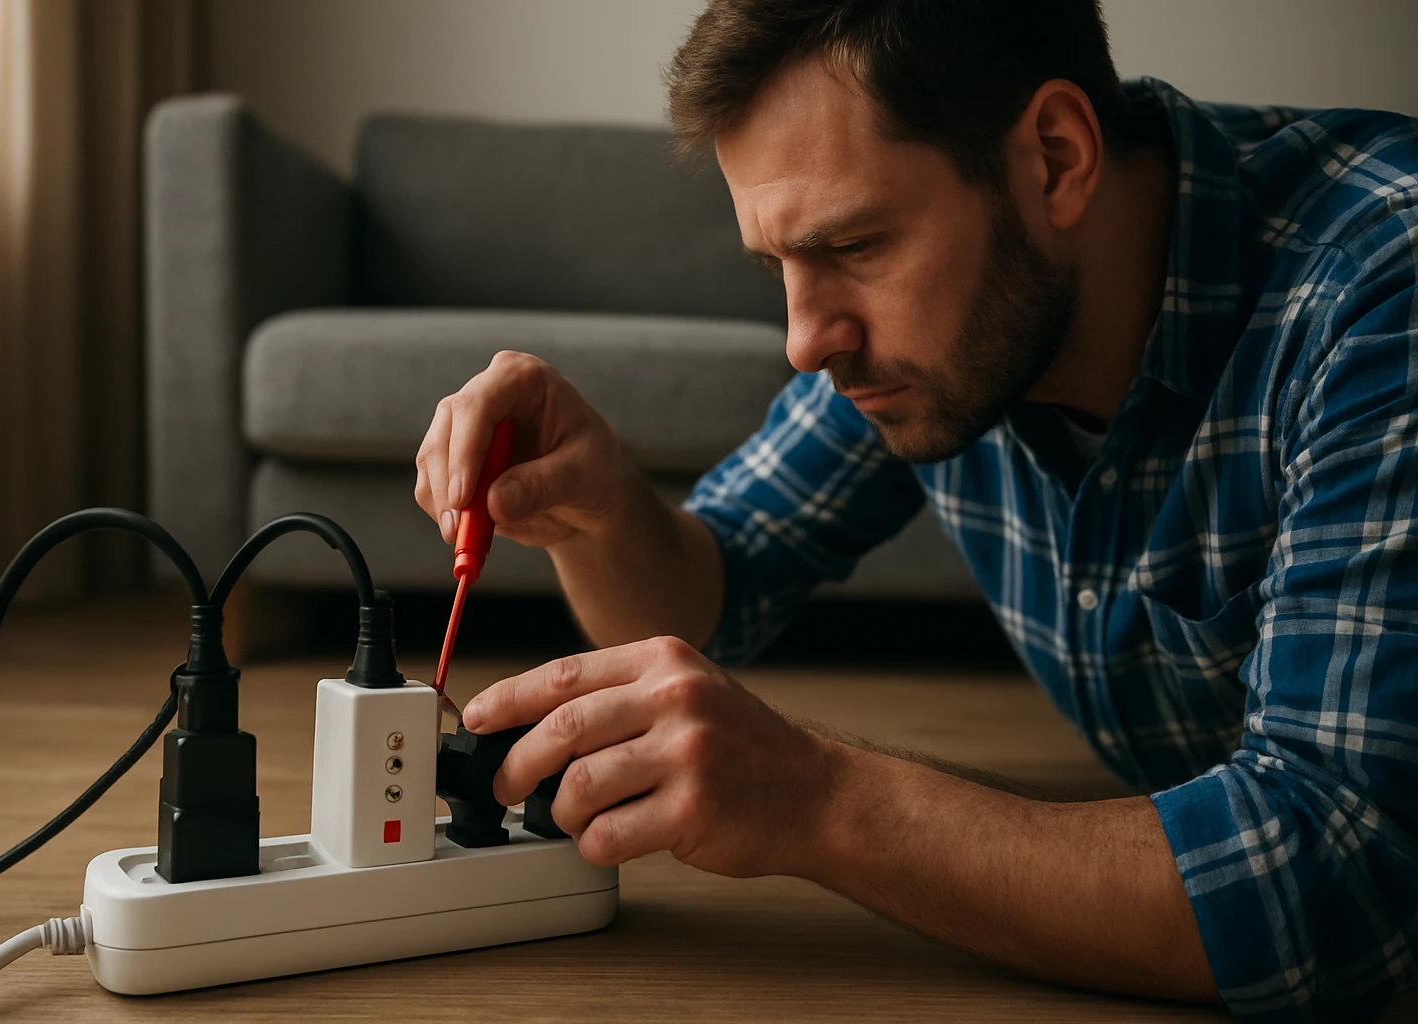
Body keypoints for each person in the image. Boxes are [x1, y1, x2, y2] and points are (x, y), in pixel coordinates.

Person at [412, 2, 1418, 1020]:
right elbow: (720, 583)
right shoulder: (932, 333)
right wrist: (603, 506)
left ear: (1058, 159)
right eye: (778, 266)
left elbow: (1337, 884)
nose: (804, 341)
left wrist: (817, 796)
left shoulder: (1383, 287)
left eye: (852, 243)